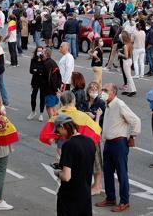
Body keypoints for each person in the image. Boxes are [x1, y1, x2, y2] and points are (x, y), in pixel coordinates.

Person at [96, 83, 141, 213]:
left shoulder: (119, 104)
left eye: (106, 90)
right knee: (108, 172)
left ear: (113, 93)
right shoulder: (107, 105)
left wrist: (132, 136)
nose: (103, 92)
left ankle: (124, 201)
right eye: (103, 90)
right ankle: (110, 198)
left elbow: (136, 120)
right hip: (109, 143)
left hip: (119, 144)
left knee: (121, 173)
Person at [53, 114, 95, 216]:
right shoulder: (90, 142)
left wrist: (57, 173)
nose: (60, 135)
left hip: (70, 196)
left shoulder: (69, 145)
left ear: (62, 126)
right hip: (85, 195)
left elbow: (66, 177)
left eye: (58, 131)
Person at [84, 81, 105, 195]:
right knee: (89, 161)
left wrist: (96, 116)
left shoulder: (101, 103)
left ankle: (97, 185)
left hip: (95, 134)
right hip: (85, 133)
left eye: (95, 89)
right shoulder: (84, 102)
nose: (93, 91)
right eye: (91, 89)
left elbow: (103, 118)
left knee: (96, 160)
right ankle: (95, 184)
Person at [42, 48, 62, 119]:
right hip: (52, 89)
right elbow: (59, 76)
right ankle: (57, 122)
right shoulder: (52, 62)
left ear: (46, 54)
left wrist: (55, 89)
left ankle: (53, 122)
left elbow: (51, 79)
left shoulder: (47, 64)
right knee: (52, 106)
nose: (41, 54)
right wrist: (57, 87)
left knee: (49, 107)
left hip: (50, 90)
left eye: (43, 53)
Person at [28, 46, 45, 121]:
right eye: (38, 51)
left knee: (42, 97)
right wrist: (38, 71)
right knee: (33, 97)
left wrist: (37, 70)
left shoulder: (44, 60)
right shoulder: (33, 59)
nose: (39, 52)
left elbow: (43, 71)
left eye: (41, 51)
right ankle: (33, 111)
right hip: (34, 81)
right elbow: (31, 70)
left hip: (42, 81)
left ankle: (41, 114)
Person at [119, 31, 136, 97]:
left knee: (128, 77)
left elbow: (126, 56)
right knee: (128, 76)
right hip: (130, 60)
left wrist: (120, 54)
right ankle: (129, 90)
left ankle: (132, 90)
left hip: (126, 61)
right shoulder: (130, 44)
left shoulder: (125, 46)